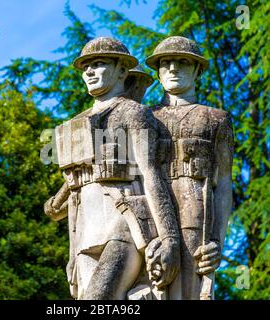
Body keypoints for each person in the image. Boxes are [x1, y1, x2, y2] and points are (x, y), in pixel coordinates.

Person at [45, 37, 180, 299]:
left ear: (121, 70)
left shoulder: (133, 112)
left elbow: (150, 173)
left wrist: (170, 239)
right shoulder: (77, 122)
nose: (90, 71)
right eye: (86, 66)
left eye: (99, 64)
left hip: (123, 223)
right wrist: (54, 204)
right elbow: (77, 182)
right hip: (85, 232)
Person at [145, 36, 234, 300]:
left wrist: (217, 241)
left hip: (196, 217)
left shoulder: (216, 119)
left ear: (197, 70)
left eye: (182, 62)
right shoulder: (143, 117)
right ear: (158, 72)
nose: (173, 68)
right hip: (148, 218)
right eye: (166, 63)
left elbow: (224, 183)